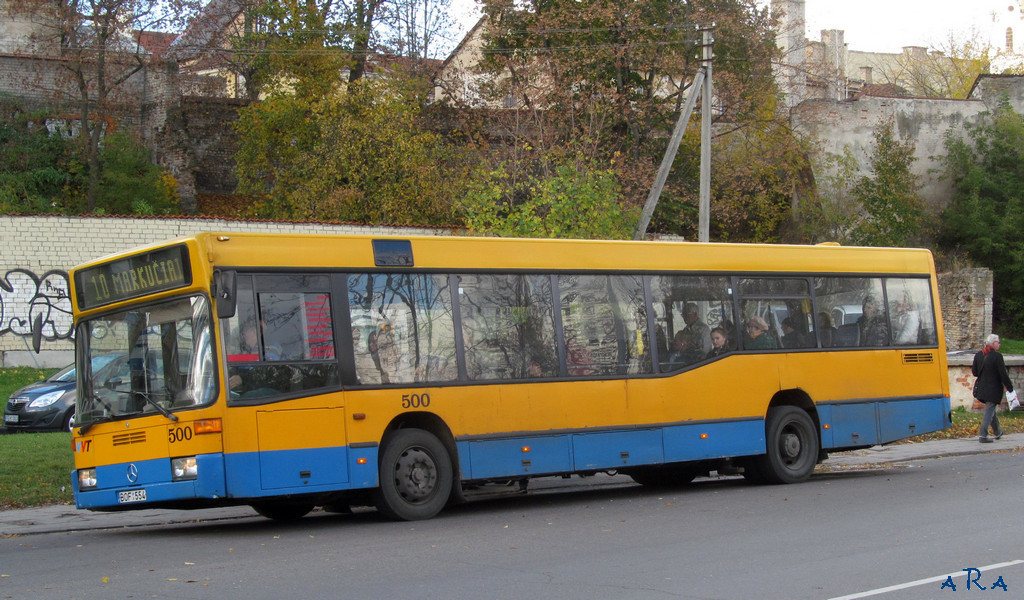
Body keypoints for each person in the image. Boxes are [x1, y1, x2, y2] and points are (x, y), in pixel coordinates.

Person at [972, 333, 1014, 443]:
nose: (999, 345)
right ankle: (983, 435)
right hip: (993, 389)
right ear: (994, 343)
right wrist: (1010, 388)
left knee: (991, 410)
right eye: (998, 342)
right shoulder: (997, 356)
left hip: (982, 388)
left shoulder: (979, 355)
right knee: (989, 411)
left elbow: (975, 372)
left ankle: (997, 431)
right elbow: (1003, 374)